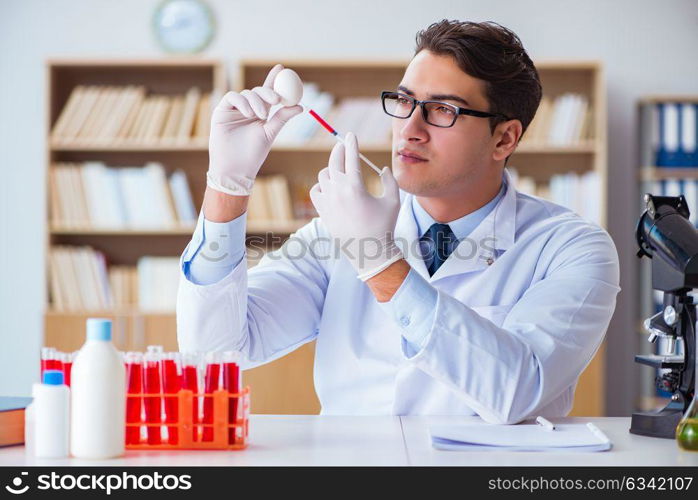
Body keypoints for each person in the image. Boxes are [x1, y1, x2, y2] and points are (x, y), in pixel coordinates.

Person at [177, 19, 620, 424]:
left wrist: (379, 264)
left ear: (504, 138)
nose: (410, 127)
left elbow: (518, 392)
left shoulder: (572, 249)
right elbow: (216, 351)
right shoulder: (338, 233)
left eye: (443, 110)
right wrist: (227, 187)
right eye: (405, 101)